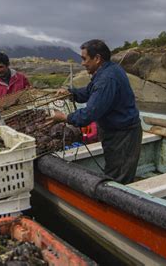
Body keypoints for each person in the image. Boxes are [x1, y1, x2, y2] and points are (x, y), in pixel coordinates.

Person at [51, 39, 142, 184]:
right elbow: (89, 91)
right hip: (115, 132)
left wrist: (63, 117)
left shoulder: (107, 79)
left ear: (97, 58)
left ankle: (116, 203)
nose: (82, 63)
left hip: (123, 135)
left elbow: (89, 114)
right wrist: (70, 93)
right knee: (115, 168)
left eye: (84, 59)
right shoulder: (107, 70)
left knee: (118, 177)